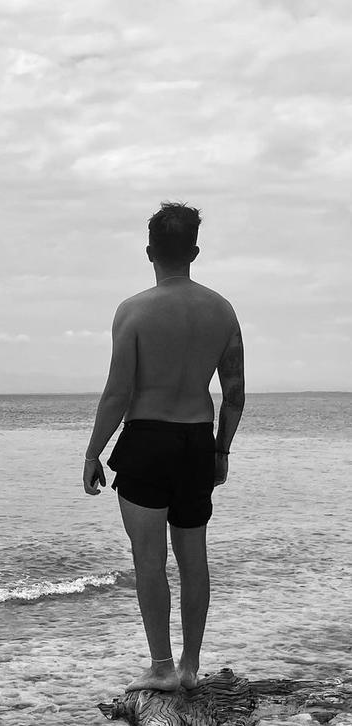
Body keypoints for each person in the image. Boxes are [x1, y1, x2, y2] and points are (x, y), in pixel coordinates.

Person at [82, 202, 245, 692]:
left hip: (147, 442)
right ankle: (190, 668)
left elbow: (118, 392)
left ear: (149, 251)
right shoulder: (222, 310)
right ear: (194, 251)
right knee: (194, 559)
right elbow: (234, 394)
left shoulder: (133, 311)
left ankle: (161, 667)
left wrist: (93, 453)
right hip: (196, 441)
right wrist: (220, 451)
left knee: (149, 562)